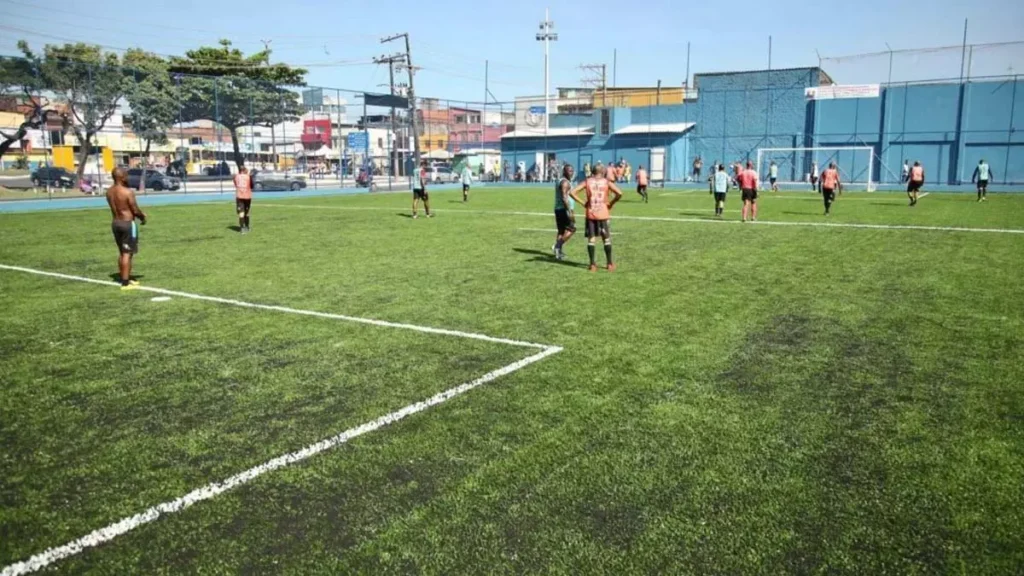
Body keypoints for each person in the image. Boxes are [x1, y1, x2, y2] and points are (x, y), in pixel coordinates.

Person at [569, 163, 623, 272]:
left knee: (591, 239)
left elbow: (572, 192)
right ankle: (609, 264)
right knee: (606, 238)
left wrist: (583, 203)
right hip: (603, 213)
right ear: (603, 172)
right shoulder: (606, 182)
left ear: (593, 171)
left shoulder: (587, 181)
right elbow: (619, 193)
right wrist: (611, 203)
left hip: (591, 213)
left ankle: (592, 264)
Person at [105, 167, 147, 290]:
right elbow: (134, 209)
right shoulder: (127, 192)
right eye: (126, 175)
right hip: (127, 223)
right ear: (122, 177)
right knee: (127, 253)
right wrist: (142, 216)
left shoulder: (109, 192)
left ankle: (126, 277)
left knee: (122, 252)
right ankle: (125, 283)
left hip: (116, 223)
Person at [553, 164, 577, 261]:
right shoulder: (565, 183)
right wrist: (569, 211)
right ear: (564, 171)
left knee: (561, 231)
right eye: (569, 171)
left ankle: (558, 253)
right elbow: (564, 197)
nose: (570, 173)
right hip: (563, 209)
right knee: (572, 228)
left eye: (571, 171)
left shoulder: (560, 180)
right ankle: (557, 246)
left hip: (558, 209)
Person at [233, 166, 253, 233]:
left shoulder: (236, 176)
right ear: (245, 171)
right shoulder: (248, 176)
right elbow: (252, 185)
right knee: (247, 212)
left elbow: (235, 184)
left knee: (241, 212)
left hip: (239, 196)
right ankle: (247, 226)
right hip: (247, 196)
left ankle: (242, 228)